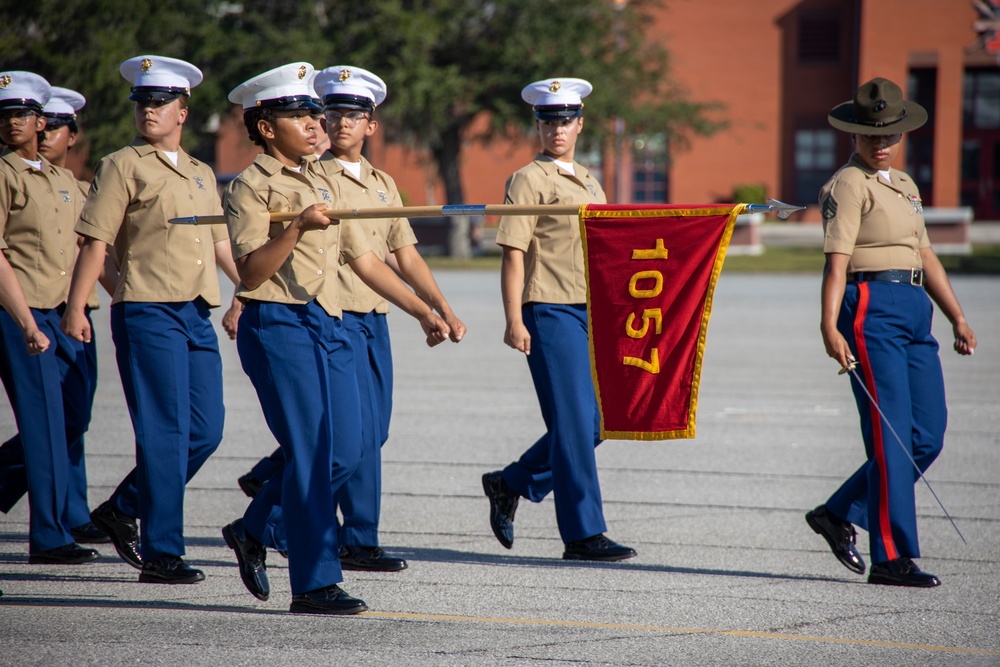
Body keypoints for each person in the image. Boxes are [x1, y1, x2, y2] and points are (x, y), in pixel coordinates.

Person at [221, 62, 450, 615]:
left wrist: (425, 311)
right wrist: (296, 226)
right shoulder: (252, 187)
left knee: (350, 448)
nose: (313, 123)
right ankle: (315, 582)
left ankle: (255, 529)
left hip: (332, 322)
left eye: (312, 113)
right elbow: (251, 272)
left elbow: (366, 260)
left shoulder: (323, 181)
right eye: (299, 115)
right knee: (312, 451)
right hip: (278, 325)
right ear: (267, 126)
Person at [61, 55, 242, 584]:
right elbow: (95, 243)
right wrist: (76, 306)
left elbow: (220, 243)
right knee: (164, 433)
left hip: (195, 311)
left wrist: (251, 289)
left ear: (183, 111)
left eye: (160, 103)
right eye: (141, 103)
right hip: (147, 310)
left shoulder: (202, 172)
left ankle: (123, 507)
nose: (149, 111)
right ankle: (163, 552)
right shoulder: (121, 165)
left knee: (206, 430)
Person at [805, 77, 976, 588]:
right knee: (892, 438)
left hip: (914, 305)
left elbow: (926, 255)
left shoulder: (904, 186)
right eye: (870, 135)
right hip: (870, 307)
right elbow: (836, 264)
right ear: (853, 136)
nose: (880, 144)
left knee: (927, 433)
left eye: (889, 135)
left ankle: (837, 513)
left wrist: (957, 316)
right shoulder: (847, 185)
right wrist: (828, 326)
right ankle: (892, 558)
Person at [482, 78, 636, 562]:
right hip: (548, 308)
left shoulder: (590, 180)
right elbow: (512, 253)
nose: (557, 130)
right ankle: (583, 533)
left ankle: (512, 482)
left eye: (565, 121)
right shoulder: (529, 179)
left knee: (599, 421)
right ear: (539, 126)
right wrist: (513, 319)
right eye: (548, 122)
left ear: (580, 124)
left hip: (591, 310)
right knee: (573, 424)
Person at [0, 85, 113, 547]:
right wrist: (26, 321)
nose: (13, 123)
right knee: (43, 420)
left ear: (41, 121)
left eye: (22, 114)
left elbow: (89, 251)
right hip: (21, 312)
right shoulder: (4, 175)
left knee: (71, 417)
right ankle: (48, 535)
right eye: (4, 115)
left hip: (67, 313)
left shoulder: (63, 182)